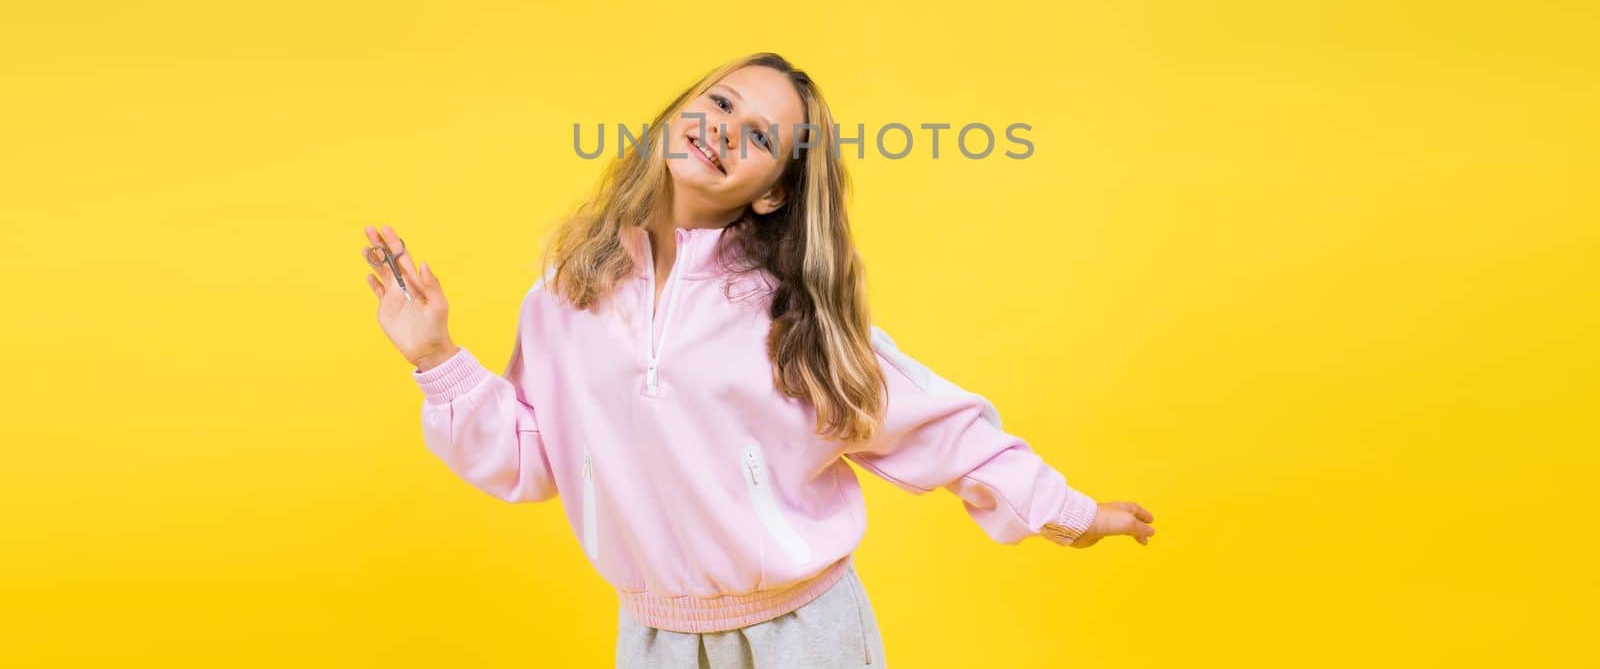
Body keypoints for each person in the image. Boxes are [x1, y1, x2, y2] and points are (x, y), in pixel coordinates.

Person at [363, 51, 1156, 668]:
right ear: (679, 114)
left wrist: (1071, 513)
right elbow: (533, 461)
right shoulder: (567, 294)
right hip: (654, 637)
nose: (724, 129)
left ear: (773, 190)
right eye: (719, 104)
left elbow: (943, 430)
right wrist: (438, 358)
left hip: (803, 636)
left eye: (760, 136)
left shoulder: (789, 317)